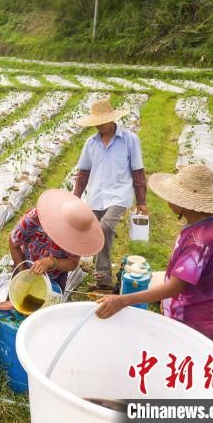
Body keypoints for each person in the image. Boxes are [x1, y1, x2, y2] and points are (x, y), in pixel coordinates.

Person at [96, 164, 213, 344]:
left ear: (186, 204)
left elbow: (174, 288)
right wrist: (168, 300)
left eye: (173, 196)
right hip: (201, 314)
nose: (169, 200)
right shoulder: (211, 224)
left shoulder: (198, 242)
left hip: (194, 326)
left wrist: (122, 301)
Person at [73, 99, 147, 290]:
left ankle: (103, 276)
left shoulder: (129, 140)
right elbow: (84, 172)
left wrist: (142, 202)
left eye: (102, 122)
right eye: (96, 123)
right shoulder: (91, 143)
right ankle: (101, 277)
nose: (99, 126)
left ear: (112, 119)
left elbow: (137, 171)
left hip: (120, 194)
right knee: (95, 233)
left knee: (104, 228)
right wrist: (75, 196)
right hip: (96, 194)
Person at [9, 189, 104, 291]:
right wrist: (23, 272)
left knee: (50, 304)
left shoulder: (77, 240)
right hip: (26, 266)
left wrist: (51, 262)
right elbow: (13, 242)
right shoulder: (35, 218)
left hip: (55, 276)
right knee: (16, 300)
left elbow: (72, 263)